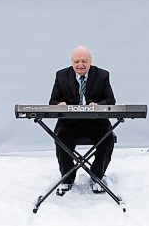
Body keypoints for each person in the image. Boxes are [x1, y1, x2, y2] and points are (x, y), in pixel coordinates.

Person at [49, 45, 116, 194]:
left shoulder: (103, 75)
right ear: (72, 62)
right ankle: (67, 178)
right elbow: (52, 102)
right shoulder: (61, 75)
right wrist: (60, 105)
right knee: (60, 137)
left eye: (84, 61)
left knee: (108, 138)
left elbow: (111, 100)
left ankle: (96, 176)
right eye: (77, 61)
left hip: (96, 122)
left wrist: (98, 105)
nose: (80, 65)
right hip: (69, 124)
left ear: (90, 62)